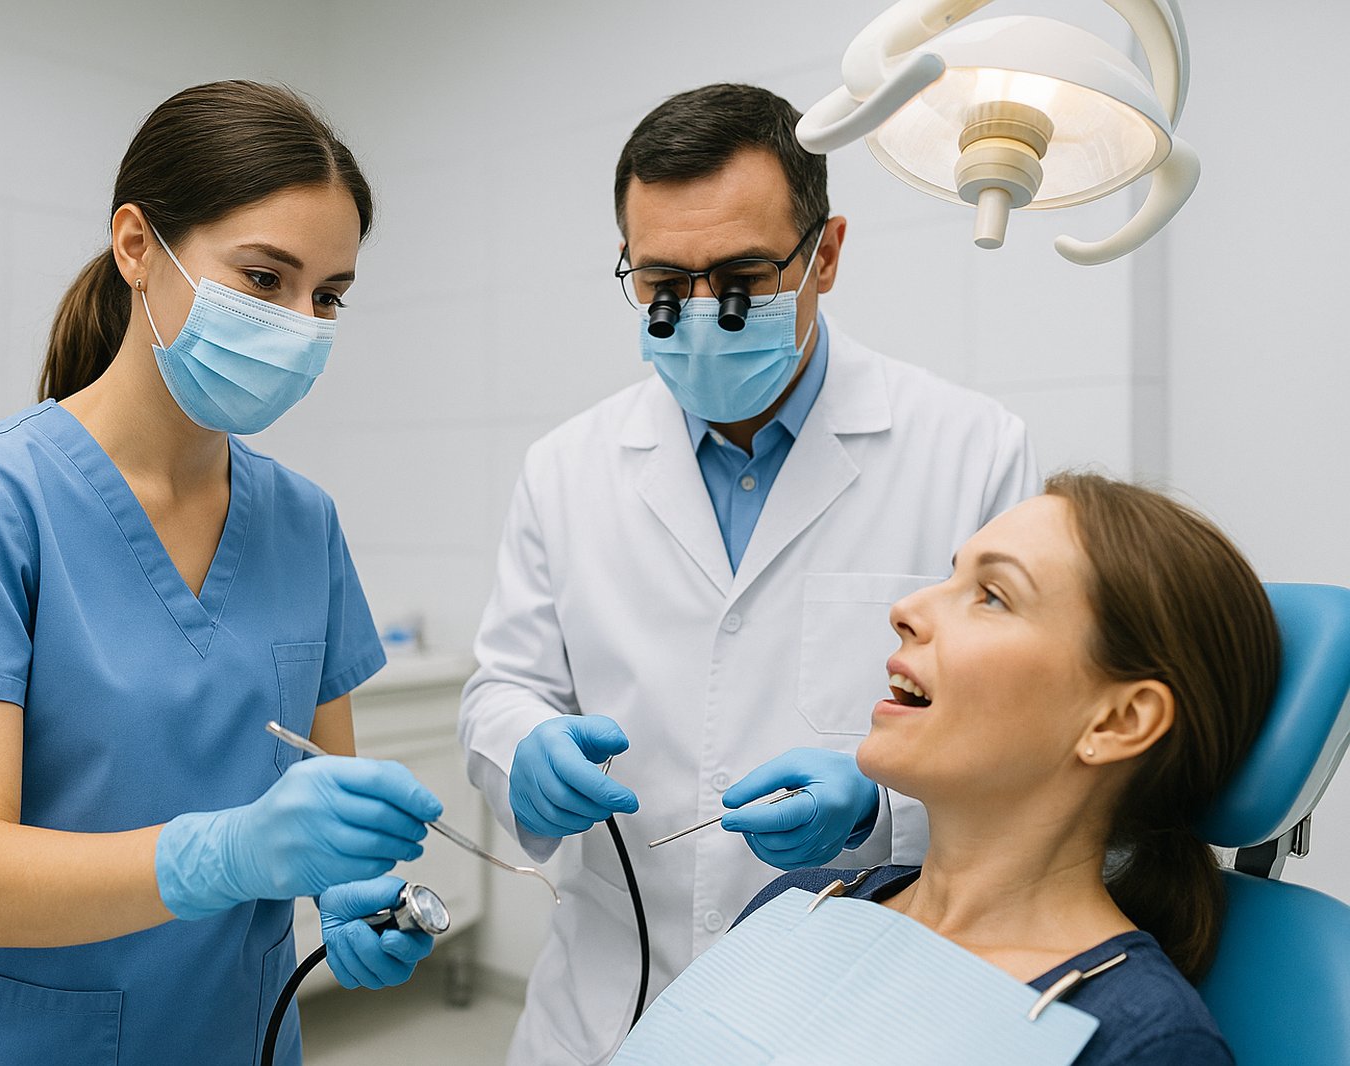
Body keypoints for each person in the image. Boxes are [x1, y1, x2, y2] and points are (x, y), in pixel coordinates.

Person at [0, 81, 441, 1066]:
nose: (300, 322)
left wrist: (347, 891)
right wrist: (231, 852)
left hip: (234, 1036)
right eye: (262, 278)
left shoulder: (304, 523)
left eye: (328, 295)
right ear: (136, 247)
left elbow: (326, 793)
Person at [459, 82, 1040, 1064]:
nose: (698, 315)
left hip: (856, 998)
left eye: (737, 276)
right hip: (605, 1005)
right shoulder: (566, 466)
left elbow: (1022, 737)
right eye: (658, 283)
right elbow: (501, 688)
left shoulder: (968, 449)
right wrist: (524, 752)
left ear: (826, 253)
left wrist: (880, 808)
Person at [728, 473, 1278, 1063]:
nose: (905, 609)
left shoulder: (1138, 1039)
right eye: (950, 576)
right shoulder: (798, 906)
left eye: (992, 595)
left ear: (1118, 721)